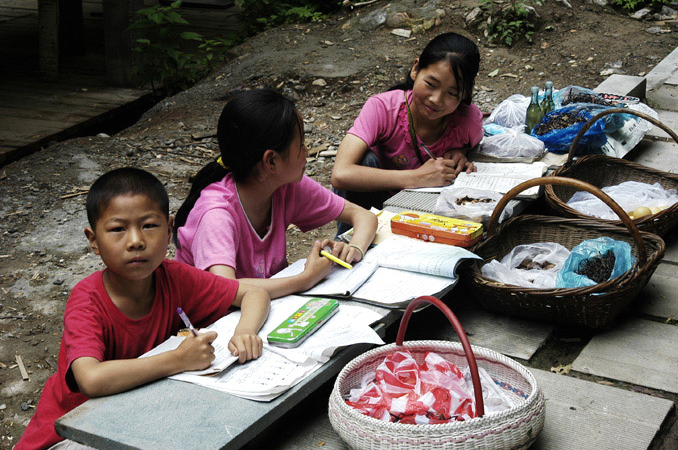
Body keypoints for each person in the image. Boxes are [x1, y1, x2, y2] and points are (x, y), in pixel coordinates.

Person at [15, 168, 270, 450]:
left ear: (169, 228)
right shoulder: (87, 301)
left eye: (149, 225)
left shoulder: (174, 276)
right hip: (70, 434)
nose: (136, 240)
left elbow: (254, 294)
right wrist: (177, 360)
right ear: (93, 240)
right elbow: (91, 379)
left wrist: (245, 331)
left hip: (133, 417)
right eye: (117, 229)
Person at [174, 88, 377, 299]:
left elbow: (364, 216)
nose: (307, 151)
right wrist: (306, 279)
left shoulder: (286, 186)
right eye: (300, 145)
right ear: (271, 161)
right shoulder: (216, 214)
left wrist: (354, 249)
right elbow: (226, 289)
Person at [331, 32, 484, 228]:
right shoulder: (383, 108)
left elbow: (477, 142)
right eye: (431, 84)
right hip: (372, 212)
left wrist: (462, 153)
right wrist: (417, 177)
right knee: (364, 160)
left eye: (452, 93)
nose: (436, 99)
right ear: (415, 69)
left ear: (465, 94)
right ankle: (346, 246)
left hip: (430, 216)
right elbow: (341, 174)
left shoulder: (468, 121)